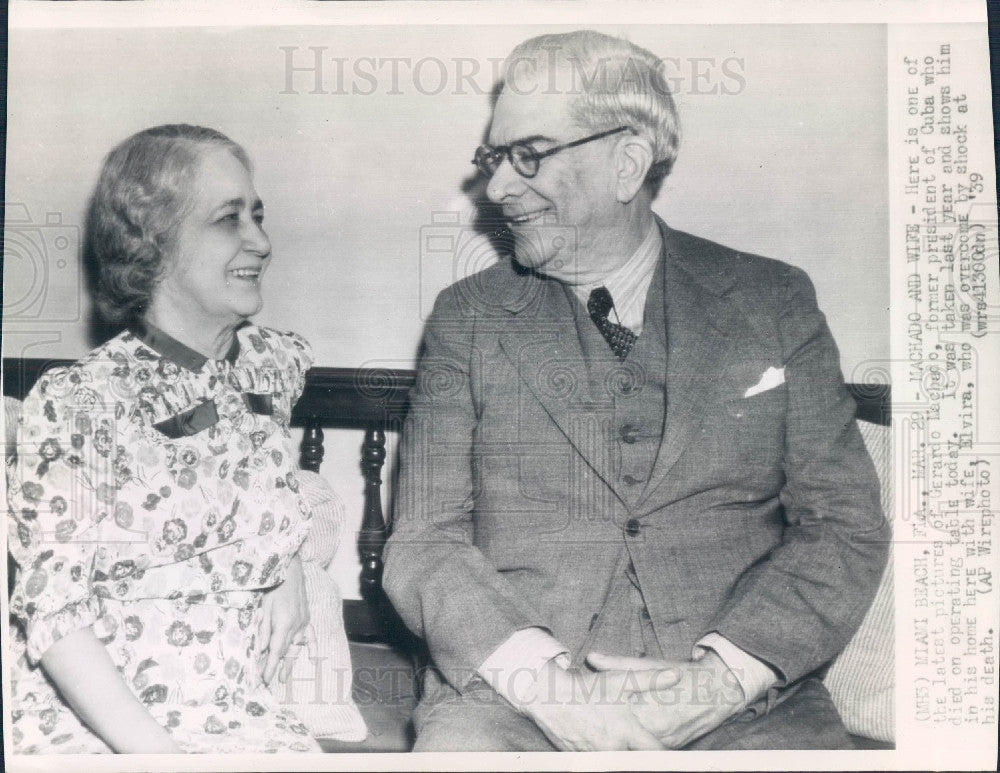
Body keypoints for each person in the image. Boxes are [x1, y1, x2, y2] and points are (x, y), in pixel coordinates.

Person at [383, 31, 890, 751]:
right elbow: (424, 541)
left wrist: (721, 679)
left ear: (627, 162)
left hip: (749, 711)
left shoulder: (772, 301)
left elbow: (844, 524)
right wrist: (550, 687)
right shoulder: (468, 318)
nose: (496, 189)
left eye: (528, 154)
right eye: (495, 159)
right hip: (512, 705)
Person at [7, 125, 322, 753]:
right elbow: (56, 614)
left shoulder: (266, 366)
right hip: (105, 727)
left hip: (241, 713)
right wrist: (160, 757)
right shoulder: (85, 401)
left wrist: (287, 565)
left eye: (257, 215)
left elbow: (254, 475)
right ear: (153, 243)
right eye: (228, 219)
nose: (260, 240)